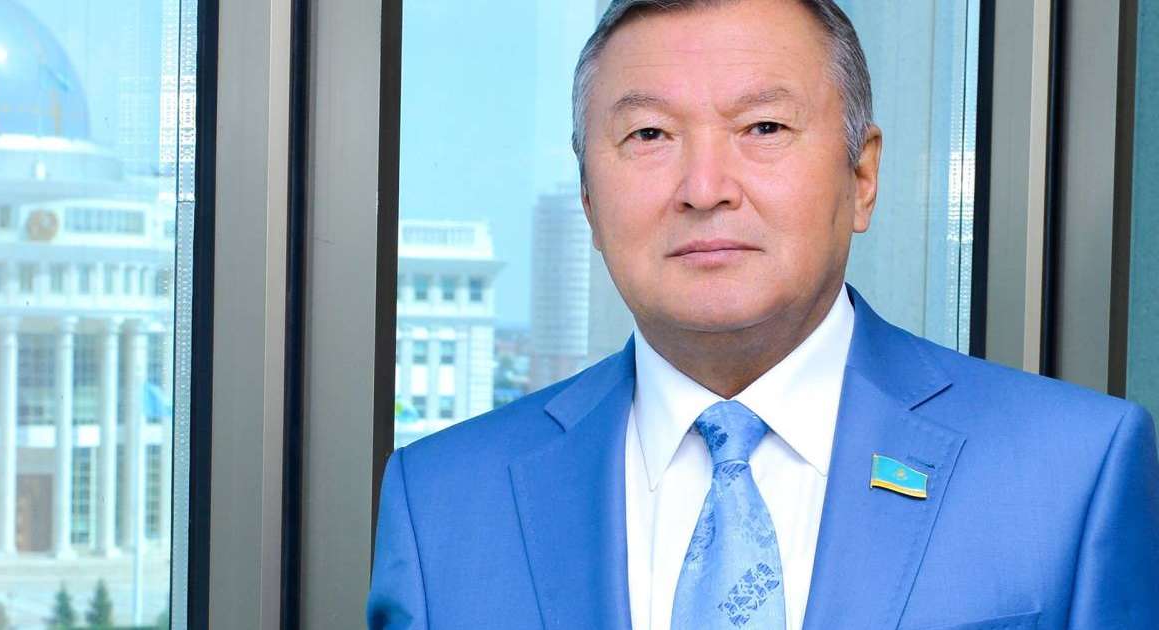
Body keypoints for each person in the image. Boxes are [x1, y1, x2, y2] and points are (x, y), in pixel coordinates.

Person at [367, 0, 1159, 628]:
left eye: (764, 128)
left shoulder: (1070, 471)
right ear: (587, 198)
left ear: (862, 176)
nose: (705, 188)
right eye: (649, 134)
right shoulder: (443, 504)